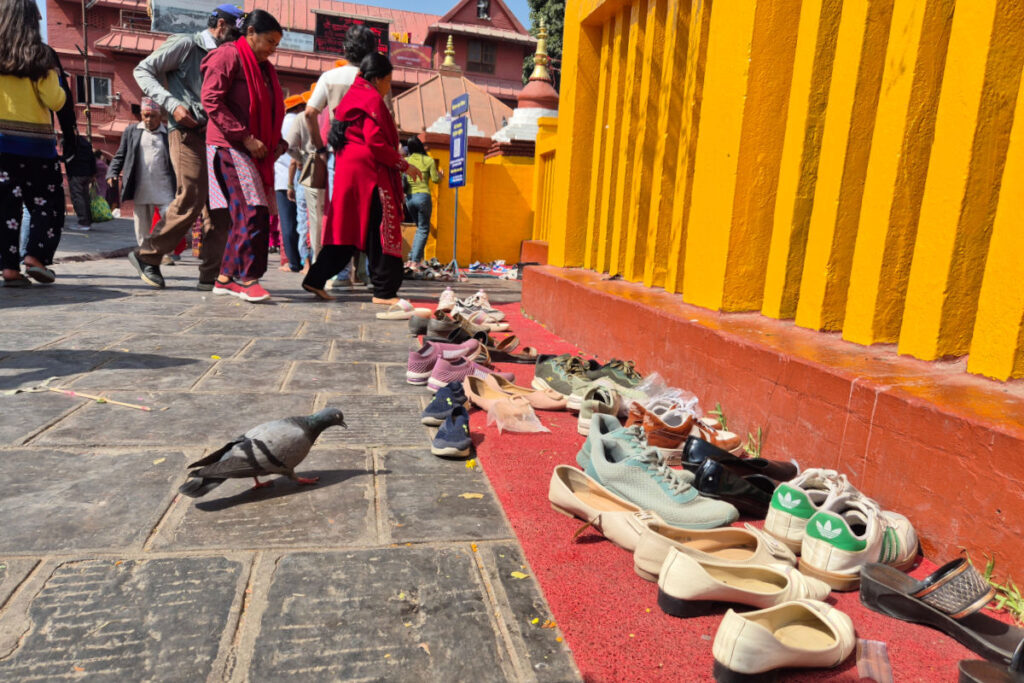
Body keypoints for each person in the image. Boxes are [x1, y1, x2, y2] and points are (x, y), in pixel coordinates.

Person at [130, 3, 243, 290]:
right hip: (186, 133)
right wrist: (172, 104)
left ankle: (211, 275)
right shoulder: (186, 44)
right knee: (192, 196)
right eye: (235, 32)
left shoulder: (230, 55)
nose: (238, 40)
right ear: (220, 25)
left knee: (221, 208)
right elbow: (142, 70)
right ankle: (147, 255)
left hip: (216, 137)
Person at [301, 53, 421, 303]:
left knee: (347, 231)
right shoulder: (371, 99)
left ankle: (315, 279)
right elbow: (376, 142)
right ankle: (384, 291)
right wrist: (403, 165)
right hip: (369, 174)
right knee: (381, 231)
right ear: (377, 79)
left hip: (350, 171)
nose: (388, 87)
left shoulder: (355, 95)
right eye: (388, 81)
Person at [200, 9, 286, 303]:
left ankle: (225, 278)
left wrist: (276, 141)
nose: (273, 49)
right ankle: (247, 279)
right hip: (231, 145)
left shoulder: (265, 69)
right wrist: (245, 137)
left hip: (252, 148)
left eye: (276, 44)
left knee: (246, 213)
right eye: (270, 41)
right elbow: (211, 99)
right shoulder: (228, 55)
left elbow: (268, 109)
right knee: (251, 211)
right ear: (250, 33)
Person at [0, 0, 69, 286]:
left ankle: (9, 269)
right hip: (37, 148)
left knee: (6, 208)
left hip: (1, 147)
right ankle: (35, 257)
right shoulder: (40, 55)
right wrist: (58, 82)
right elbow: (55, 100)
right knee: (46, 204)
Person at [108, 97, 176, 248]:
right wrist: (112, 172)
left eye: (153, 116)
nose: (149, 120)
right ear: (141, 115)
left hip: (165, 188)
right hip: (141, 187)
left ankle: (164, 250)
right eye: (146, 115)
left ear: (160, 117)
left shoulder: (169, 133)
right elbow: (120, 155)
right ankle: (145, 252)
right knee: (142, 226)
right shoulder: (132, 131)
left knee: (169, 220)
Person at [274, 95, 303, 272]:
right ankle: (301, 260)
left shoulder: (280, 124)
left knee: (287, 223)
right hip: (298, 176)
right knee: (301, 222)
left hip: (281, 179)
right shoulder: (298, 121)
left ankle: (293, 261)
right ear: (298, 108)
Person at [403, 135, 441, 270]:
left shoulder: (406, 161)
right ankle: (414, 261)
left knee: (420, 229)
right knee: (424, 229)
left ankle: (411, 258)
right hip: (423, 197)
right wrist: (440, 175)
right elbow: (435, 179)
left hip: (409, 199)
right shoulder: (428, 160)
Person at [65, 136, 96, 231]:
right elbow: (92, 158)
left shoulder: (70, 143)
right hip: (86, 173)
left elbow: (67, 159)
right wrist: (93, 173)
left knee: (77, 196)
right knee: (85, 197)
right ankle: (87, 221)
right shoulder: (86, 143)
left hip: (76, 173)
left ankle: (83, 222)